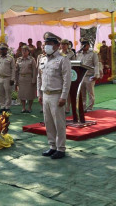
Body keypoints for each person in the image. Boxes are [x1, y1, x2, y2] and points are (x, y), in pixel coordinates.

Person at [37, 32, 71, 160]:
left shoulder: (63, 59)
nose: (47, 46)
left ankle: (61, 148)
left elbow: (67, 80)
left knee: (59, 123)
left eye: (50, 44)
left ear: (57, 45)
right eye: (46, 44)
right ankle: (52, 146)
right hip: (45, 94)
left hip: (57, 95)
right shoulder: (43, 59)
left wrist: (64, 96)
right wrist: (39, 94)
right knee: (48, 122)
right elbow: (39, 77)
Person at [76, 38, 100, 112]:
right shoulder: (79, 54)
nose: (83, 46)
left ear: (88, 45)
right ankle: (83, 107)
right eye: (82, 45)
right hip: (81, 76)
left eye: (85, 45)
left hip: (89, 76)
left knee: (90, 93)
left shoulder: (93, 54)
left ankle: (90, 107)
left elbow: (96, 65)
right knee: (82, 93)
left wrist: (96, 75)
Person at [0, 43, 15, 113]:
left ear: (6, 50)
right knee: (1, 93)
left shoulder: (10, 58)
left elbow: (13, 69)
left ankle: (7, 107)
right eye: (1, 49)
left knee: (7, 93)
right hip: (0, 78)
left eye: (3, 49)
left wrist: (12, 79)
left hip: (7, 78)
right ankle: (2, 106)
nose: (2, 51)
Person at [15, 45, 37, 113]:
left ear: (28, 51)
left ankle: (29, 107)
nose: (24, 52)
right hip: (21, 78)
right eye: (22, 51)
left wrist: (34, 79)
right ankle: (23, 107)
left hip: (29, 78)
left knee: (30, 94)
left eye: (25, 51)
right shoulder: (19, 60)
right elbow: (16, 70)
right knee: (22, 94)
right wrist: (16, 81)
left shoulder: (32, 59)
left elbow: (34, 70)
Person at [60, 39, 75, 114]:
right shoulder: (58, 53)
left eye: (65, 44)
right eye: (62, 44)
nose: (63, 46)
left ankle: (68, 106)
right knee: (60, 90)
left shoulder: (71, 53)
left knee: (67, 91)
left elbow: (74, 63)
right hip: (60, 74)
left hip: (69, 73)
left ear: (67, 45)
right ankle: (61, 106)